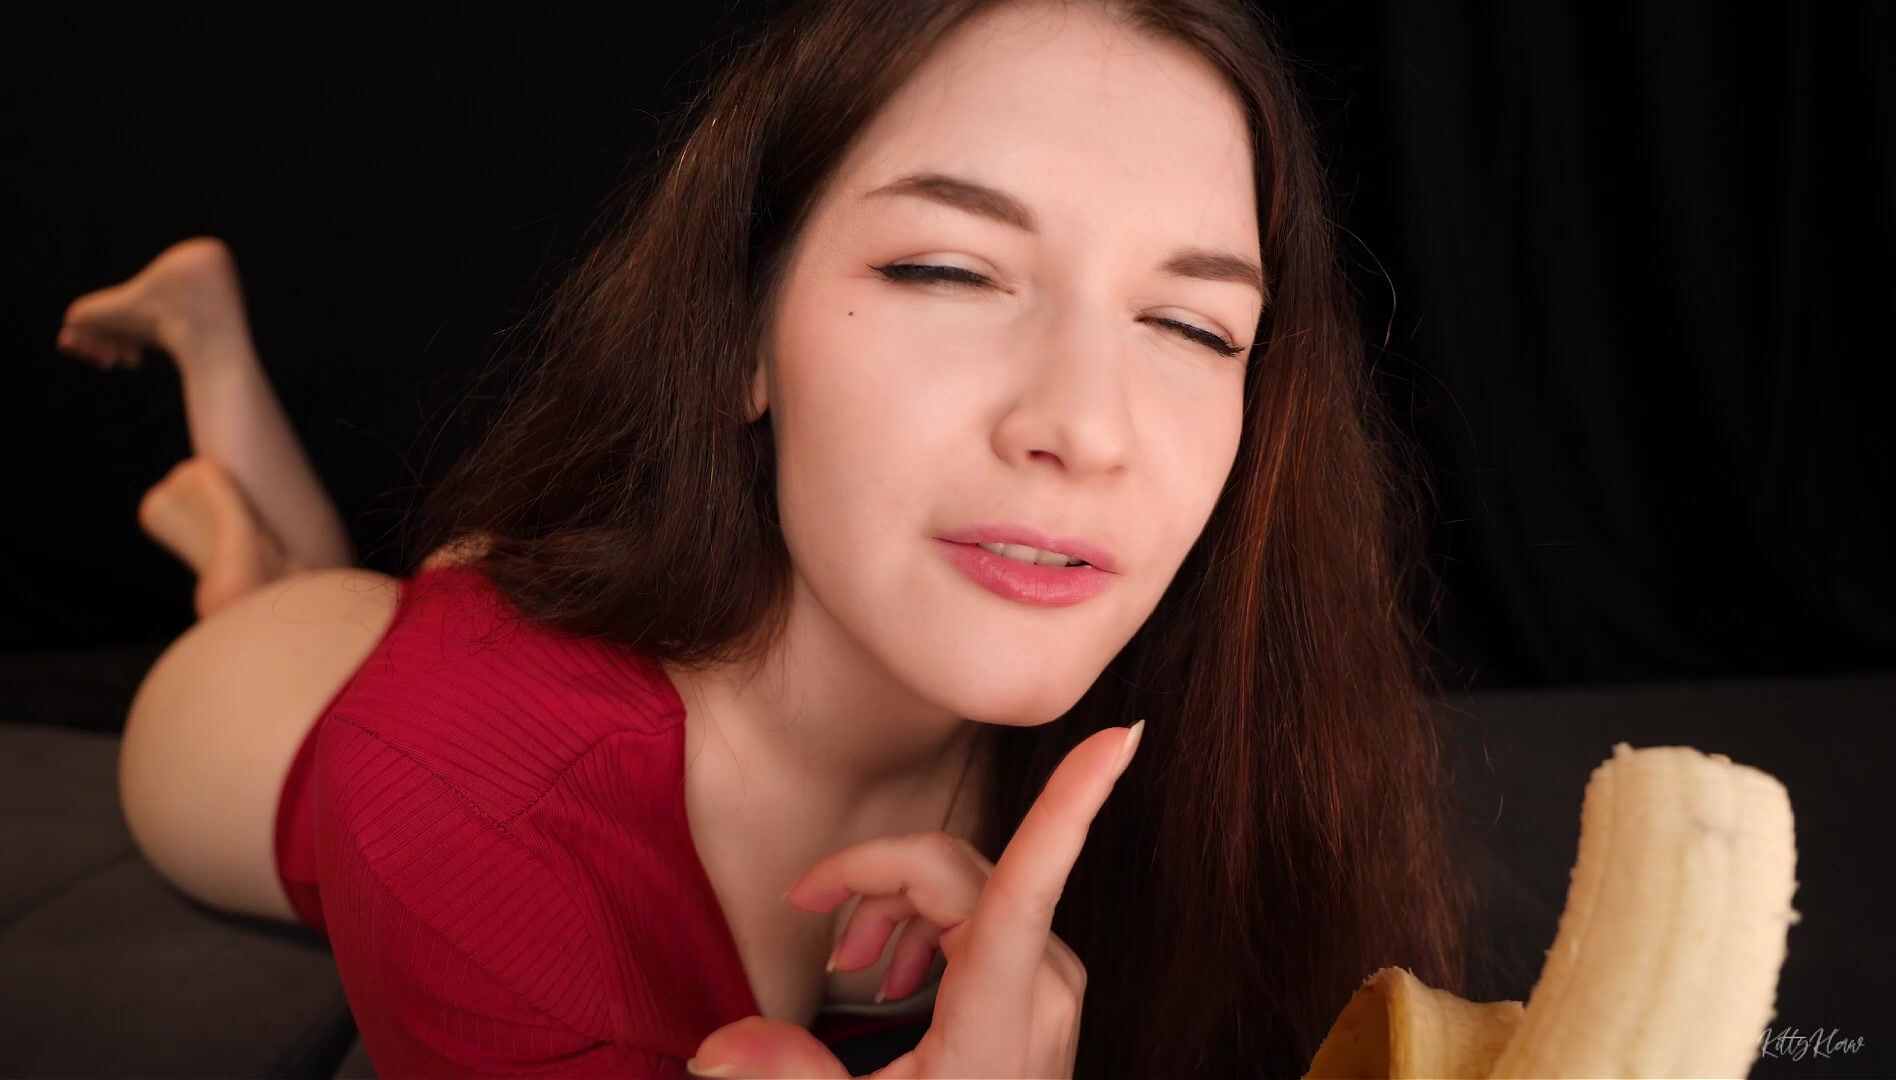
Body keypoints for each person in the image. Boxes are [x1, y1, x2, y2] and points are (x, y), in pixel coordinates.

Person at [75, 0, 1472, 1075]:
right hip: (275, 700)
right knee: (265, 599)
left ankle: (222, 432)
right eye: (949, 270)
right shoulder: (461, 785)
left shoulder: (1212, 744)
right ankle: (221, 466)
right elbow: (447, 760)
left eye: (1191, 325)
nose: (1086, 428)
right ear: (739, 334)